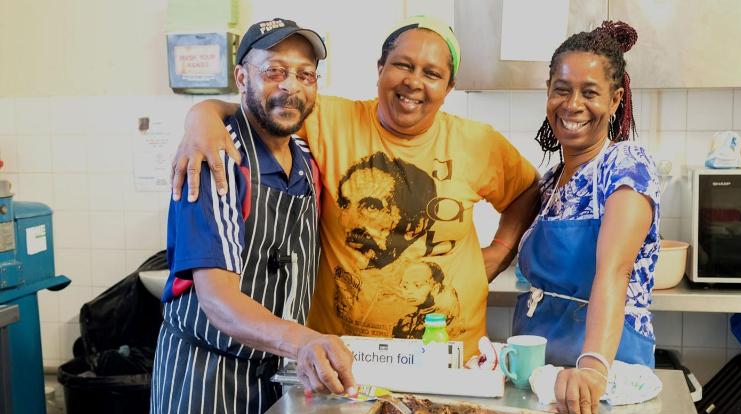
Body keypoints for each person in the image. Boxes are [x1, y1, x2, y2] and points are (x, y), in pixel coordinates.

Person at [171, 15, 540, 359]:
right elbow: (266, 106)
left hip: (448, 357)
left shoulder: (477, 142)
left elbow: (527, 191)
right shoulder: (330, 120)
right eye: (402, 65)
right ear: (380, 70)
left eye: (432, 73)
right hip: (345, 359)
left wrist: (500, 251)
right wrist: (201, 116)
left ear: (449, 87)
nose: (414, 81)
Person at [150, 19, 355, 414]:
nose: (291, 87)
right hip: (206, 382)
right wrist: (302, 341)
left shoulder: (305, 159)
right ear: (242, 78)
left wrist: (297, 350)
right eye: (274, 71)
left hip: (280, 376)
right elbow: (217, 300)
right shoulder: (214, 158)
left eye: (305, 75)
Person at [512, 21, 661, 414]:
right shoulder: (546, 184)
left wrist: (594, 369)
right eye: (562, 89)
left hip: (605, 373)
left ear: (615, 101)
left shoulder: (626, 165)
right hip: (543, 377)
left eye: (589, 92)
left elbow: (615, 271)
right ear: (548, 93)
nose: (572, 104)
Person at [392, 261, 463, 339]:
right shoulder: (403, 321)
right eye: (405, 286)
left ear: (435, 289)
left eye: (417, 285)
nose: (410, 292)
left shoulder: (446, 319)